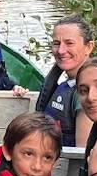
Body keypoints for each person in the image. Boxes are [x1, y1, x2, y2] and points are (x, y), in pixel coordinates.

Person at [35, 15, 94, 147]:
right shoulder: (68, 83)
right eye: (56, 43)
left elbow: (81, 154)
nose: (61, 50)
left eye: (70, 43)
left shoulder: (87, 91)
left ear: (89, 47)